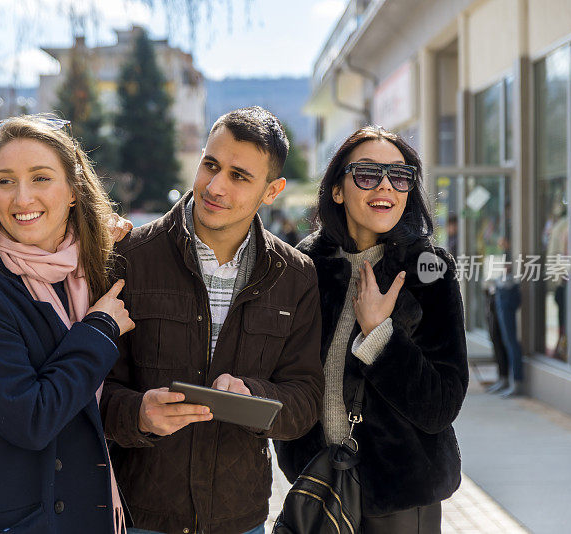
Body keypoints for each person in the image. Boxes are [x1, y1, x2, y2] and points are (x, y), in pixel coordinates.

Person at [100, 106, 324, 534]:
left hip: (239, 519)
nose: (216, 186)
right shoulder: (129, 257)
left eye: (239, 176)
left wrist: (252, 397)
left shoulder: (295, 277)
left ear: (271, 190)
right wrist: (139, 414)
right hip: (141, 516)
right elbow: (94, 387)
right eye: (210, 165)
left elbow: (306, 397)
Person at [0, 115, 134, 534]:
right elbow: (31, 418)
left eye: (40, 178)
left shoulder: (88, 274)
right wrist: (99, 330)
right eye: (5, 181)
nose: (21, 197)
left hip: (78, 512)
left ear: (73, 191)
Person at [275, 125, 468, 533]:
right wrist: (295, 453)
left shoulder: (429, 269)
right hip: (319, 480)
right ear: (338, 189)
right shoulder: (304, 265)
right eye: (367, 173)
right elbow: (284, 369)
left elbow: (441, 405)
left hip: (398, 496)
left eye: (399, 176)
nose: (385, 186)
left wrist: (379, 334)